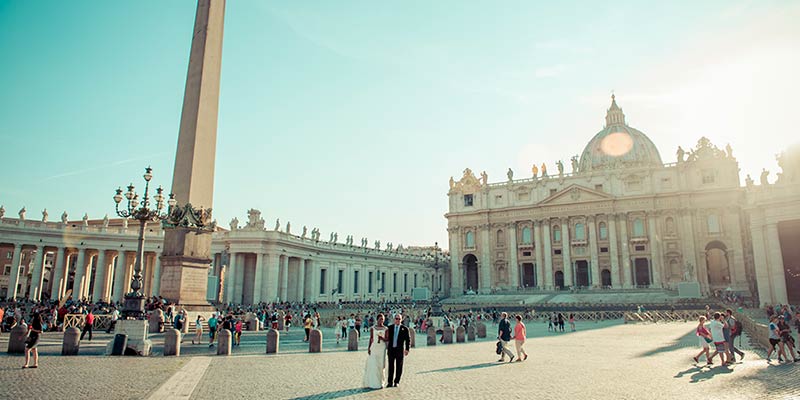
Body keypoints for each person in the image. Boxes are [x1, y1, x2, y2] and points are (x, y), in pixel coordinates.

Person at [383, 313, 410, 387]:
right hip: (391, 350)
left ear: (401, 320)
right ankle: (389, 382)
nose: (398, 320)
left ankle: (397, 381)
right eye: (396, 319)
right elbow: (386, 338)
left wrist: (407, 349)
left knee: (399, 367)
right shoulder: (389, 328)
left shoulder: (405, 329)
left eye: (399, 319)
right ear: (394, 319)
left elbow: (408, 340)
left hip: (399, 350)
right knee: (390, 366)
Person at [363, 313, 388, 389]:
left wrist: (382, 338)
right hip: (374, 347)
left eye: (383, 319)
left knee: (380, 365)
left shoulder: (386, 329)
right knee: (373, 365)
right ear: (377, 319)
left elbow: (387, 339)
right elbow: (371, 338)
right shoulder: (372, 328)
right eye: (380, 319)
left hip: (381, 348)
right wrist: (369, 348)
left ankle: (380, 381)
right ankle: (373, 382)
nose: (381, 321)